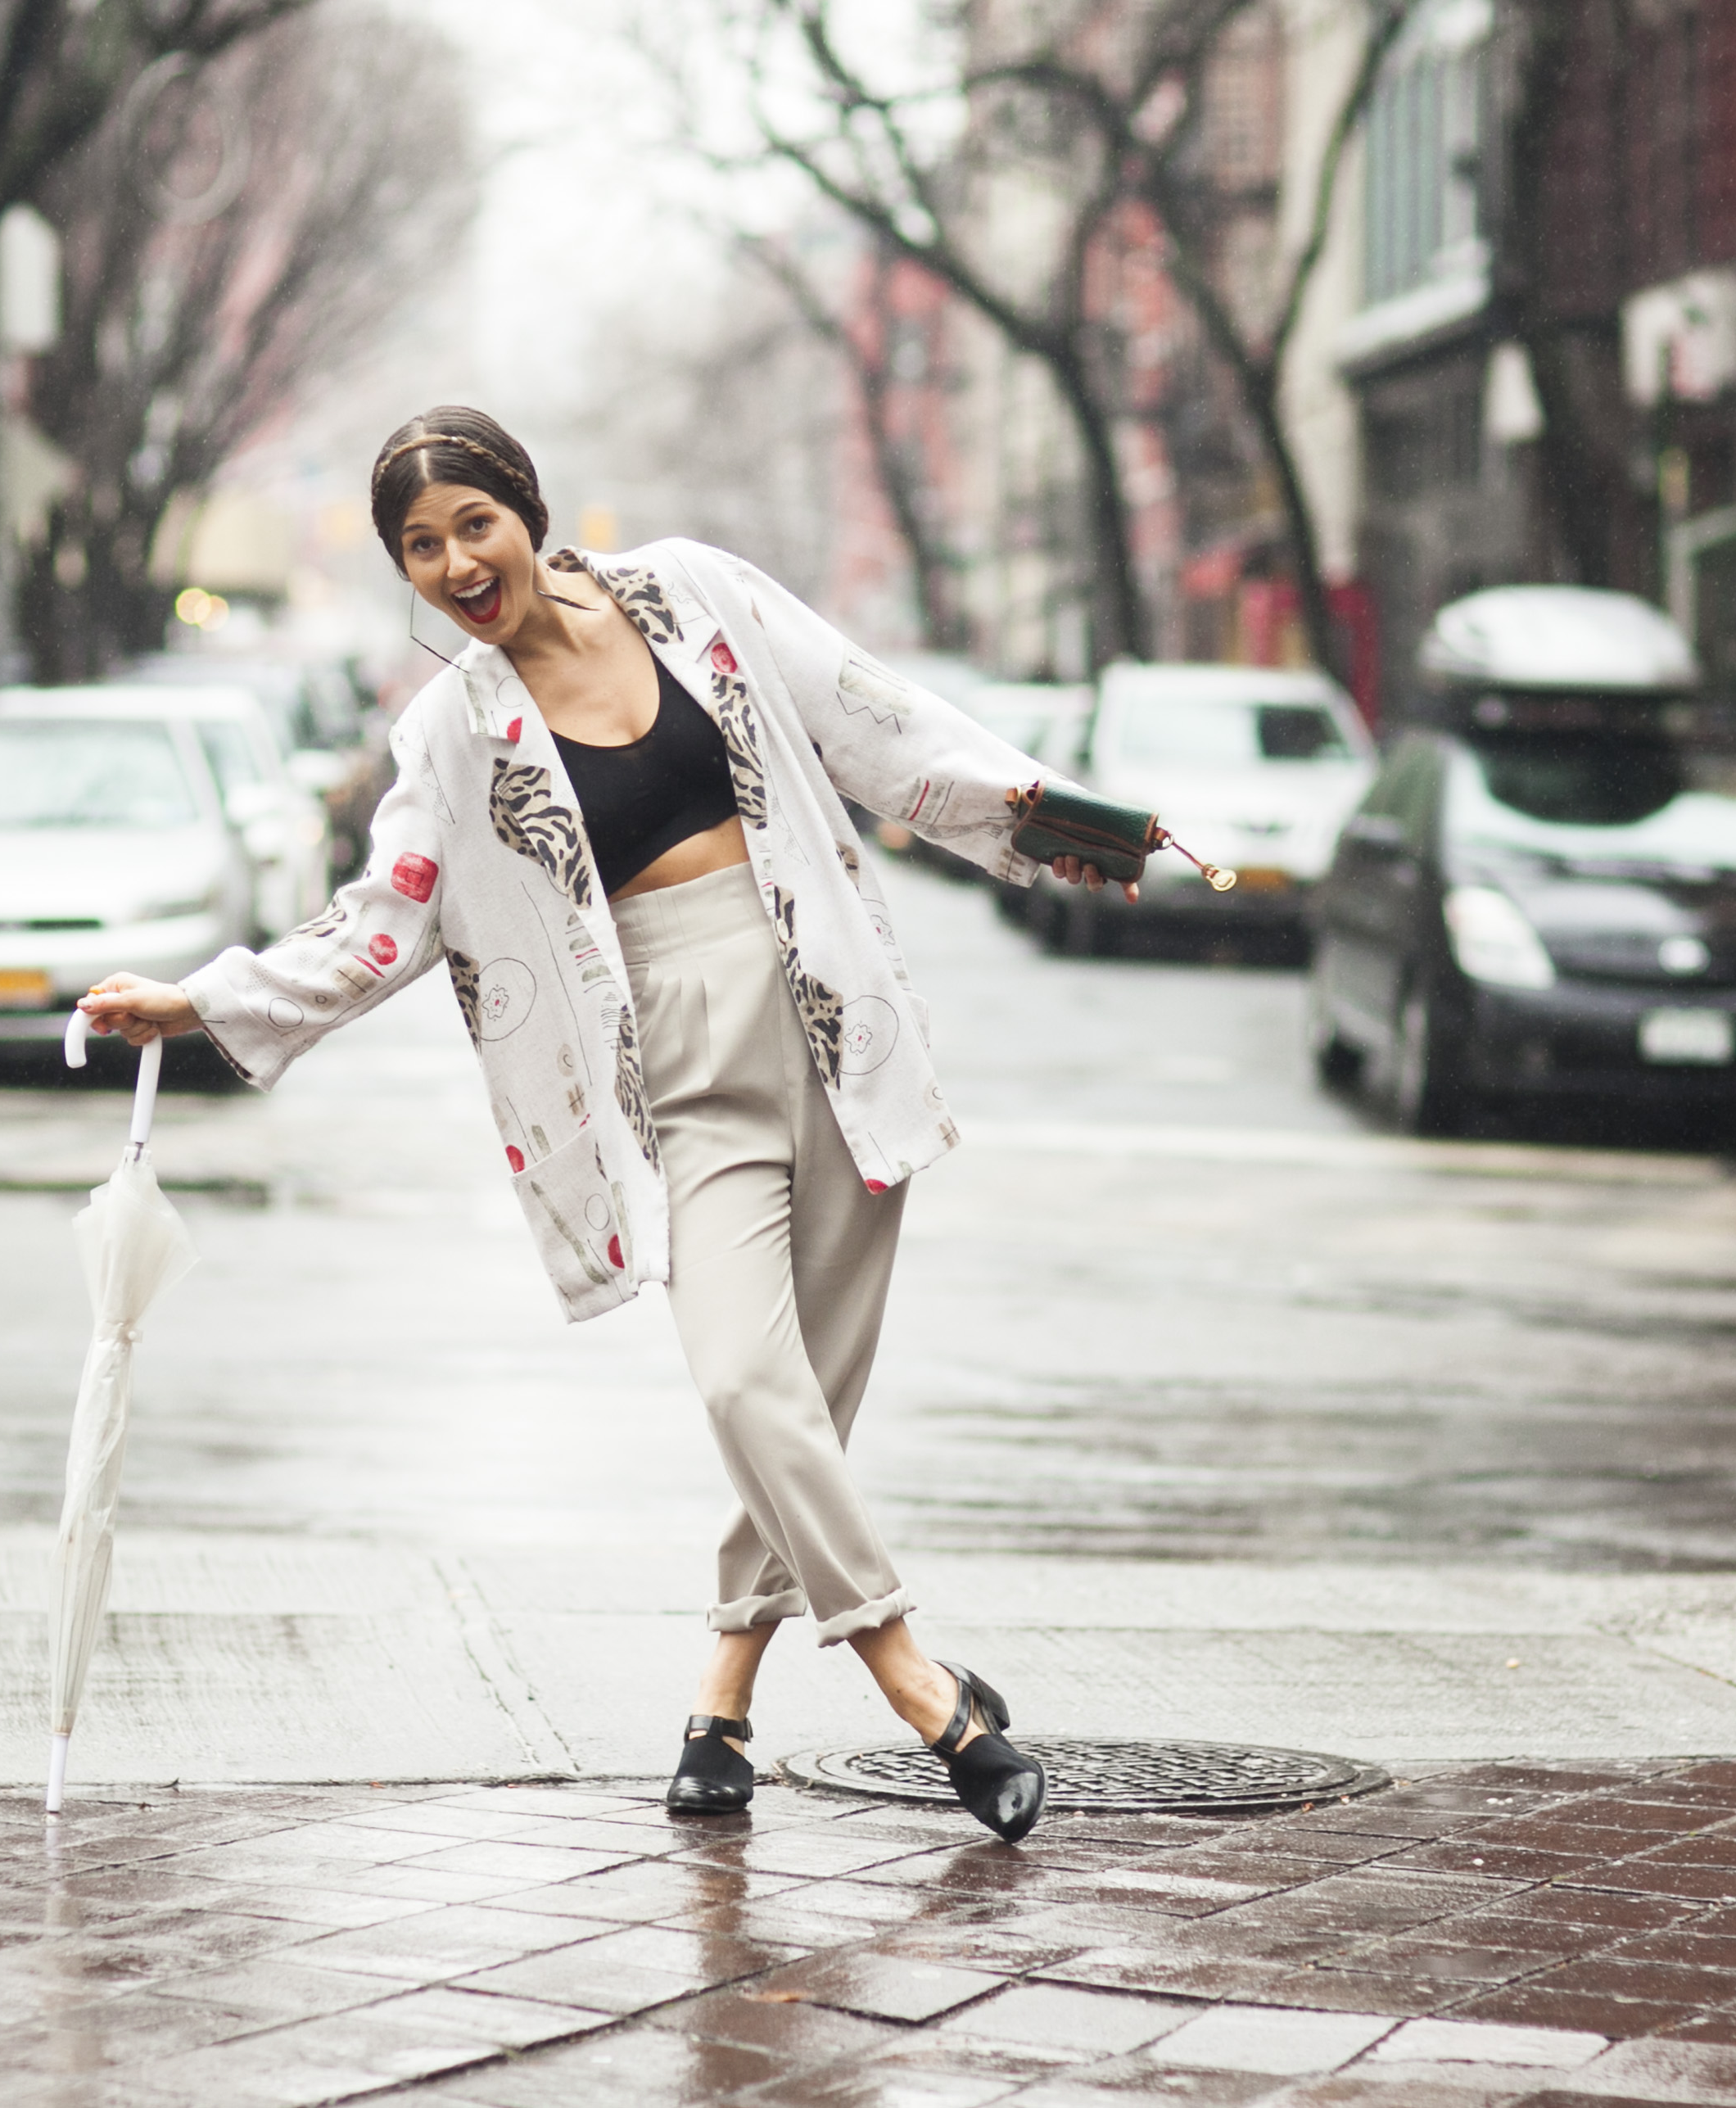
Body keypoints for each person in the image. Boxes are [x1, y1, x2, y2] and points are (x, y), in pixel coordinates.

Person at [80, 407, 1127, 1843]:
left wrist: (1061, 824)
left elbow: (878, 726)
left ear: (527, 510)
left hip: (829, 1018)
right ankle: (925, 1694)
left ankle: (719, 1703)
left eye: (471, 525)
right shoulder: (452, 732)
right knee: (745, 1384)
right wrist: (201, 1001)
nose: (454, 562)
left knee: (801, 1404)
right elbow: (379, 923)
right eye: (419, 546)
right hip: (679, 1069)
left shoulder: (694, 593)